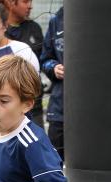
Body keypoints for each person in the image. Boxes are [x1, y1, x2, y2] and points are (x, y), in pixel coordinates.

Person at [40, 5, 63, 161]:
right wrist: (53, 68)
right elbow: (45, 59)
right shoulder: (56, 20)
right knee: (54, 164)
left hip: (92, 113)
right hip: (60, 111)